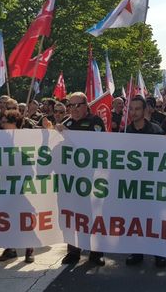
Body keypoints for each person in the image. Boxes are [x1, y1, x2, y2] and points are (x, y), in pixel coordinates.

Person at [56, 92, 106, 266]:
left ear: (86, 105)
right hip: (70, 180)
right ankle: (73, 251)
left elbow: (94, 145)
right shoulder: (66, 123)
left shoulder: (95, 122)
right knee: (72, 215)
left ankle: (96, 251)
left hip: (91, 178)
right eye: (71, 106)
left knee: (92, 214)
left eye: (78, 105)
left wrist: (67, 134)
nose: (74, 109)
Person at [123, 96, 166, 268]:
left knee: (156, 218)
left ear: (145, 110)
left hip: (153, 184)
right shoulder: (126, 132)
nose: (133, 113)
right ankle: (137, 252)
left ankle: (159, 254)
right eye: (131, 109)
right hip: (134, 185)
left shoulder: (156, 131)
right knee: (136, 219)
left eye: (137, 109)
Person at [0, 109, 36, 264]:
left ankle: (29, 248)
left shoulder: (26, 137)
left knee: (25, 217)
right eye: (2, 121)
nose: (2, 124)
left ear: (14, 123)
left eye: (6, 121)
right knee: (7, 216)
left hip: (23, 184)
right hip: (5, 183)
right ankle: (10, 248)